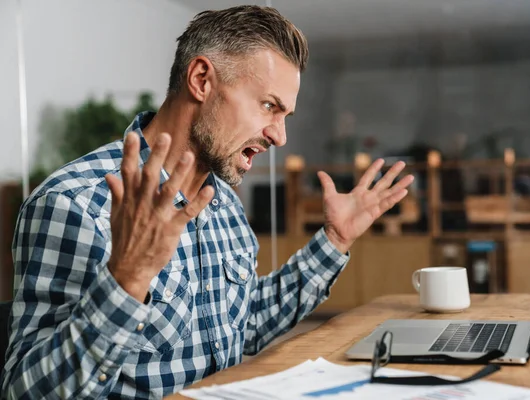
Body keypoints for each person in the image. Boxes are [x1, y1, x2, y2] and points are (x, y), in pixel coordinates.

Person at [1, 5, 414, 399]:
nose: (279, 136)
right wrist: (126, 281)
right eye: (269, 106)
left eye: (284, 115)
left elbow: (246, 324)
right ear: (201, 80)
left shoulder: (223, 205)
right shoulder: (74, 204)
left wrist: (335, 240)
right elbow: (25, 391)